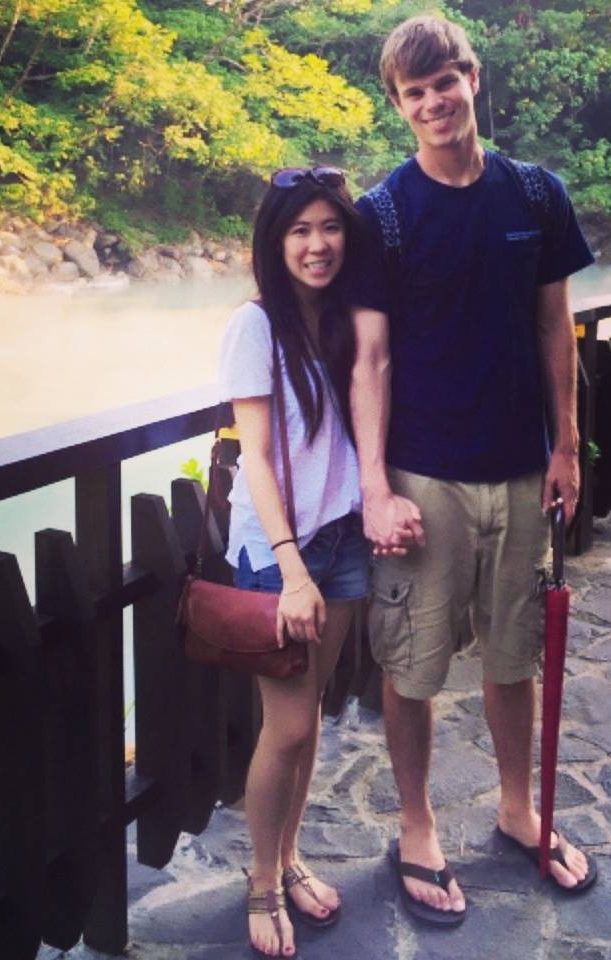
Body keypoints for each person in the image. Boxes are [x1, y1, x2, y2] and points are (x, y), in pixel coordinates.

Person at [349, 14, 598, 925]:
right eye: (413, 93)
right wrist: (375, 487)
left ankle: (517, 807)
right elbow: (369, 360)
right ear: (400, 105)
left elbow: (551, 327)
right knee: (413, 664)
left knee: (511, 654)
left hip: (521, 469)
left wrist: (565, 446)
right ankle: (416, 826)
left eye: (443, 82)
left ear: (472, 77)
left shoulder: (535, 197)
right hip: (424, 475)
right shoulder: (384, 214)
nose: (432, 103)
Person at [218, 166, 372, 957]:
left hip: (342, 538)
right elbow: (257, 457)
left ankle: (288, 856)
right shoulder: (256, 326)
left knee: (308, 721)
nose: (317, 245)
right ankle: (259, 880)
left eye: (330, 227)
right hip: (286, 553)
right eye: (299, 230)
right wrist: (292, 567)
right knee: (284, 728)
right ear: (274, 243)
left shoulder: (343, 318)